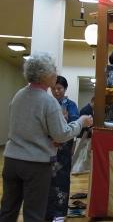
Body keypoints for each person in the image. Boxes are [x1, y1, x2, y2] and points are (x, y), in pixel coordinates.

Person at [0, 53, 93, 222]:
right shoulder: (48, 102)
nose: (56, 75)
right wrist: (81, 121)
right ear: (45, 76)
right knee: (34, 214)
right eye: (54, 71)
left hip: (11, 160)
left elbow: (26, 128)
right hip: (35, 165)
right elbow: (62, 134)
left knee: (7, 211)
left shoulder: (19, 95)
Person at [45, 76, 80, 221]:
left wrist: (65, 120)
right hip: (48, 148)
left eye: (59, 88)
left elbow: (75, 124)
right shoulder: (47, 103)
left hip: (64, 149)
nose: (56, 91)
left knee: (62, 179)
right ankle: (47, 212)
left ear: (65, 89)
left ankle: (59, 213)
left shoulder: (71, 104)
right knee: (47, 180)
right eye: (53, 88)